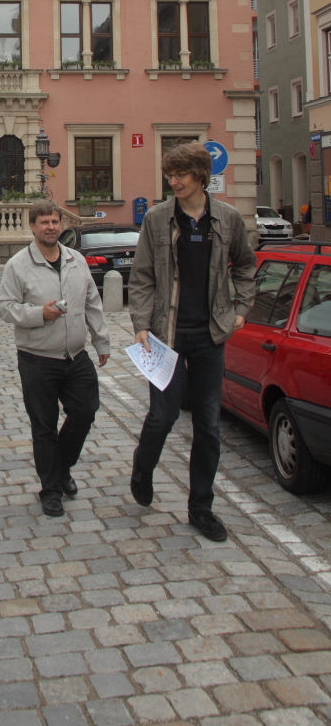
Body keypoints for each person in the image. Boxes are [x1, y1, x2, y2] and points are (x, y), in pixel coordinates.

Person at [128, 141, 256, 542]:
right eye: (169, 175)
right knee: (163, 416)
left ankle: (201, 507)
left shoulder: (228, 219)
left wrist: (241, 308)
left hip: (210, 334)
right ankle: (143, 466)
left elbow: (246, 265)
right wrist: (141, 323)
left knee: (208, 425)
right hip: (166, 334)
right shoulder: (158, 218)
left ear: (200, 175)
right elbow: (142, 275)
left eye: (180, 174)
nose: (174, 181)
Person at [0, 199, 110, 518]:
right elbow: (4, 306)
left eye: (55, 222)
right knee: (44, 427)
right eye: (44, 222)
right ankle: (51, 490)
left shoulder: (76, 260)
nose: (50, 227)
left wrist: (101, 341)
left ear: (61, 225)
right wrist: (38, 314)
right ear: (32, 226)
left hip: (76, 355)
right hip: (37, 358)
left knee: (85, 411)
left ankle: (60, 469)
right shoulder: (18, 265)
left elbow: (92, 302)